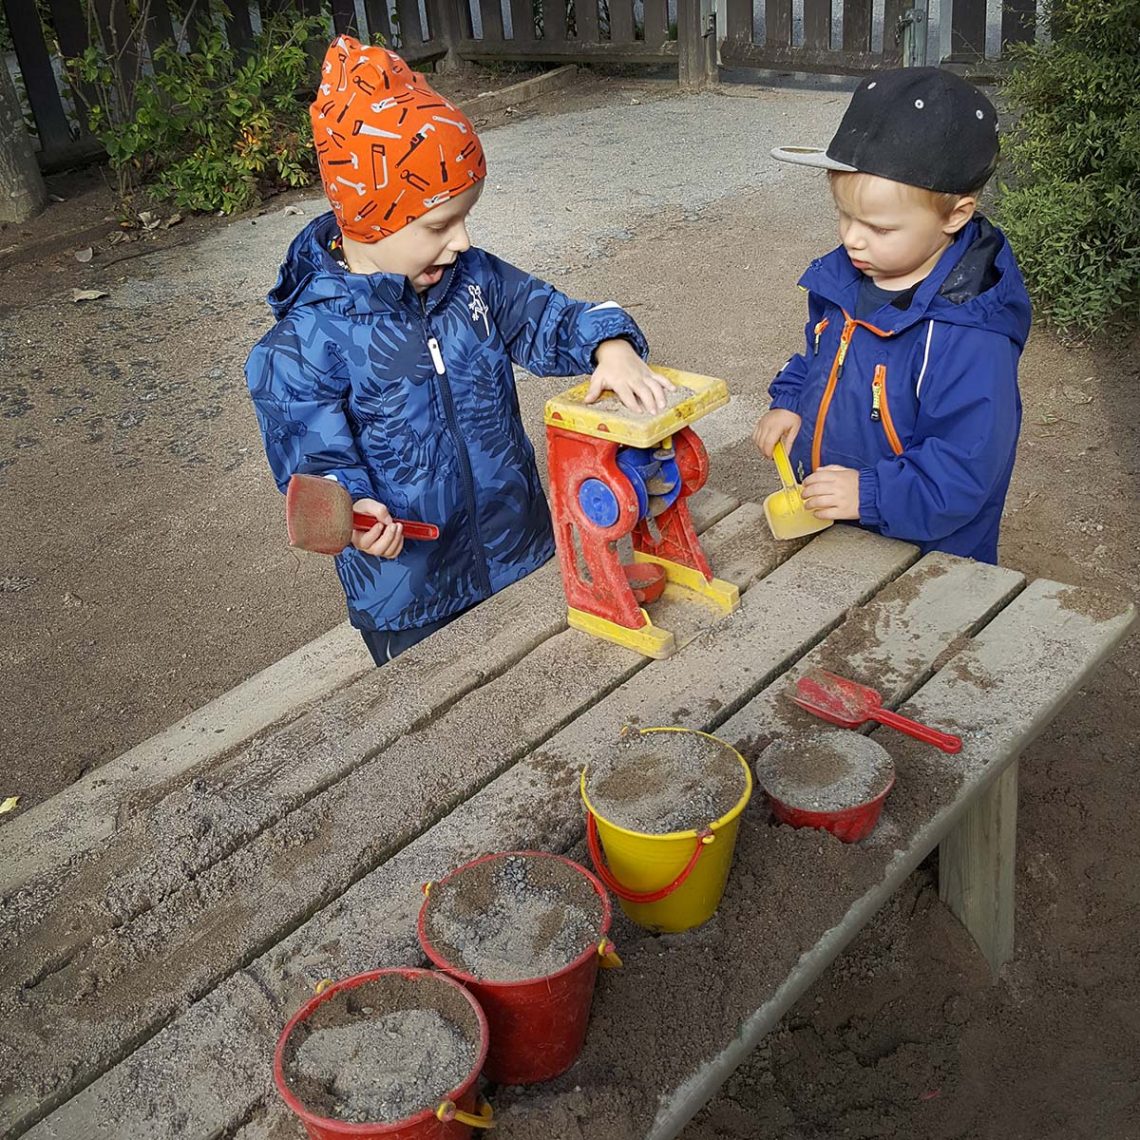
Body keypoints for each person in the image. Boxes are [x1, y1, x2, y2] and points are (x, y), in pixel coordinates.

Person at [247, 37, 669, 664]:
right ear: (370, 220)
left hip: (520, 550)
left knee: (547, 682)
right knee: (448, 729)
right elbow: (316, 463)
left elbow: (547, 316)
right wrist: (356, 509)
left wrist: (608, 342)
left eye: (465, 216)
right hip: (409, 599)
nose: (461, 240)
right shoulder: (301, 348)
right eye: (438, 226)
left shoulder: (475, 280)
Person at [753, 68, 1032, 564]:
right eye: (844, 216)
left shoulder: (968, 335)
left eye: (879, 227)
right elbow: (822, 359)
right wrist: (791, 400)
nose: (853, 239)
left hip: (926, 558)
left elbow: (966, 469)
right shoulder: (844, 279)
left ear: (955, 215)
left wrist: (871, 494)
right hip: (845, 527)